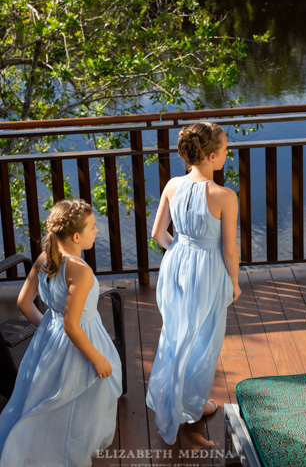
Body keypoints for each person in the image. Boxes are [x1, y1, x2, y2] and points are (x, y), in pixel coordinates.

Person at [0, 199, 122, 467]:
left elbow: (24, 302)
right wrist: (97, 358)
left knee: (54, 393)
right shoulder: (80, 270)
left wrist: (47, 325)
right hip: (80, 340)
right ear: (76, 236)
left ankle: (48, 438)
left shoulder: (45, 257)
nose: (97, 231)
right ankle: (68, 447)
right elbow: (72, 325)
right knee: (80, 391)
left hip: (50, 337)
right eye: (93, 227)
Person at [146, 122, 241, 445]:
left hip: (175, 265)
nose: (228, 154)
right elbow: (229, 249)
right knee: (204, 339)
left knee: (176, 334)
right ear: (212, 156)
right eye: (226, 150)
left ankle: (175, 396)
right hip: (208, 271)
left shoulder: (173, 185)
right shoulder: (225, 196)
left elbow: (158, 234)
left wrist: (181, 252)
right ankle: (195, 406)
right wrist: (235, 283)